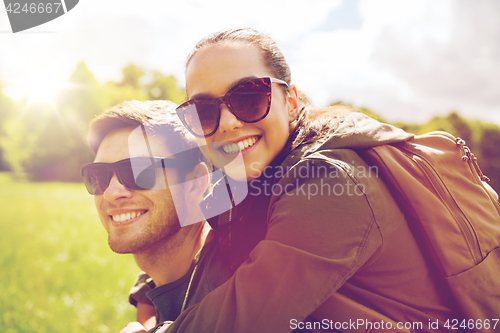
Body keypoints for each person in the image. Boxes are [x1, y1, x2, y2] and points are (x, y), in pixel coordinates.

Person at [143, 28, 462, 333]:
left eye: (249, 97)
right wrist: (145, 293)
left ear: (291, 102)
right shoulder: (253, 180)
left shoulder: (332, 181)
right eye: (202, 111)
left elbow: (246, 318)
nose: (227, 122)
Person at [81, 100, 212, 332]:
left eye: (138, 171)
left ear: (195, 184)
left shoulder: (237, 291)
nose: (111, 193)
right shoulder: (152, 289)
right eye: (99, 175)